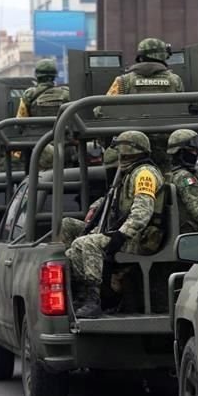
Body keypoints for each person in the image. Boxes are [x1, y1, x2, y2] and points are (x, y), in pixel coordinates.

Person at [67, 131, 164, 319]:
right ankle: (87, 293)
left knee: (86, 244)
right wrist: (96, 207)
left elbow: (141, 213)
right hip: (123, 230)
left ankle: (96, 299)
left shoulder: (144, 174)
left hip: (139, 237)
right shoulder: (129, 173)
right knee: (71, 246)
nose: (119, 154)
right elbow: (116, 198)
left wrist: (120, 235)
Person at [103, 38, 185, 171]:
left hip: (131, 146)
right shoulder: (175, 81)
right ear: (163, 56)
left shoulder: (124, 81)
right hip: (166, 146)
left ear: (140, 56)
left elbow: (103, 110)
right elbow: (183, 110)